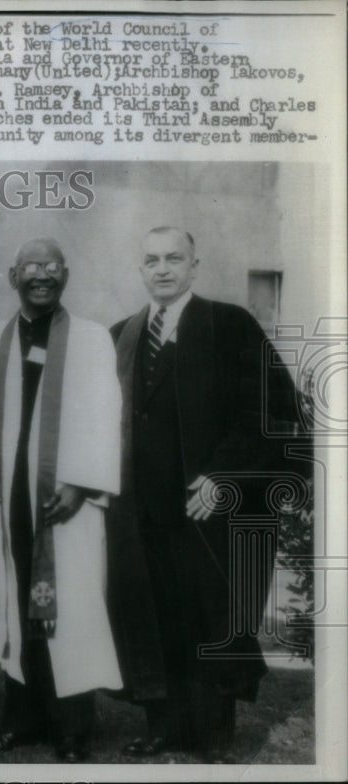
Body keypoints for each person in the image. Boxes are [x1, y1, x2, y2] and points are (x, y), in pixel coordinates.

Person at [107, 226, 299, 762]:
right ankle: (164, 727)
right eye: (152, 260)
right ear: (140, 268)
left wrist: (222, 476)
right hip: (139, 511)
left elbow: (270, 411)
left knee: (212, 618)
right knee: (153, 616)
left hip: (208, 509)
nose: (162, 268)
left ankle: (213, 735)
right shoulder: (121, 334)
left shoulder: (228, 325)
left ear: (195, 265)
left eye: (174, 258)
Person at [0, 238, 123, 762]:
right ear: (13, 276)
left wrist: (80, 482)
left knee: (67, 609)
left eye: (52, 266)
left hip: (62, 501)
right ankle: (21, 720)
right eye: (32, 266)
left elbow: (104, 414)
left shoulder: (92, 340)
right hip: (6, 499)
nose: (42, 274)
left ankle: (71, 729)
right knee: (13, 604)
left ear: (65, 275)